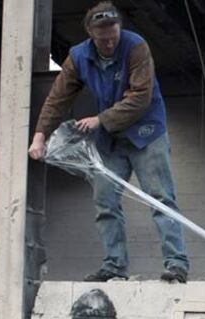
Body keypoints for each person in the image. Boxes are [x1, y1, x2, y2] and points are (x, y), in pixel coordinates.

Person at [29, 2, 190, 284]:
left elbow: (140, 97)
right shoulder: (78, 57)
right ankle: (115, 265)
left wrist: (100, 119)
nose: (109, 43)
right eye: (103, 39)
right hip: (111, 139)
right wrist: (40, 136)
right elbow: (58, 99)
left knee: (161, 197)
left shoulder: (136, 47)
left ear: (119, 29)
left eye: (114, 36)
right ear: (91, 34)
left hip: (146, 133)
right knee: (104, 201)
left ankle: (176, 264)